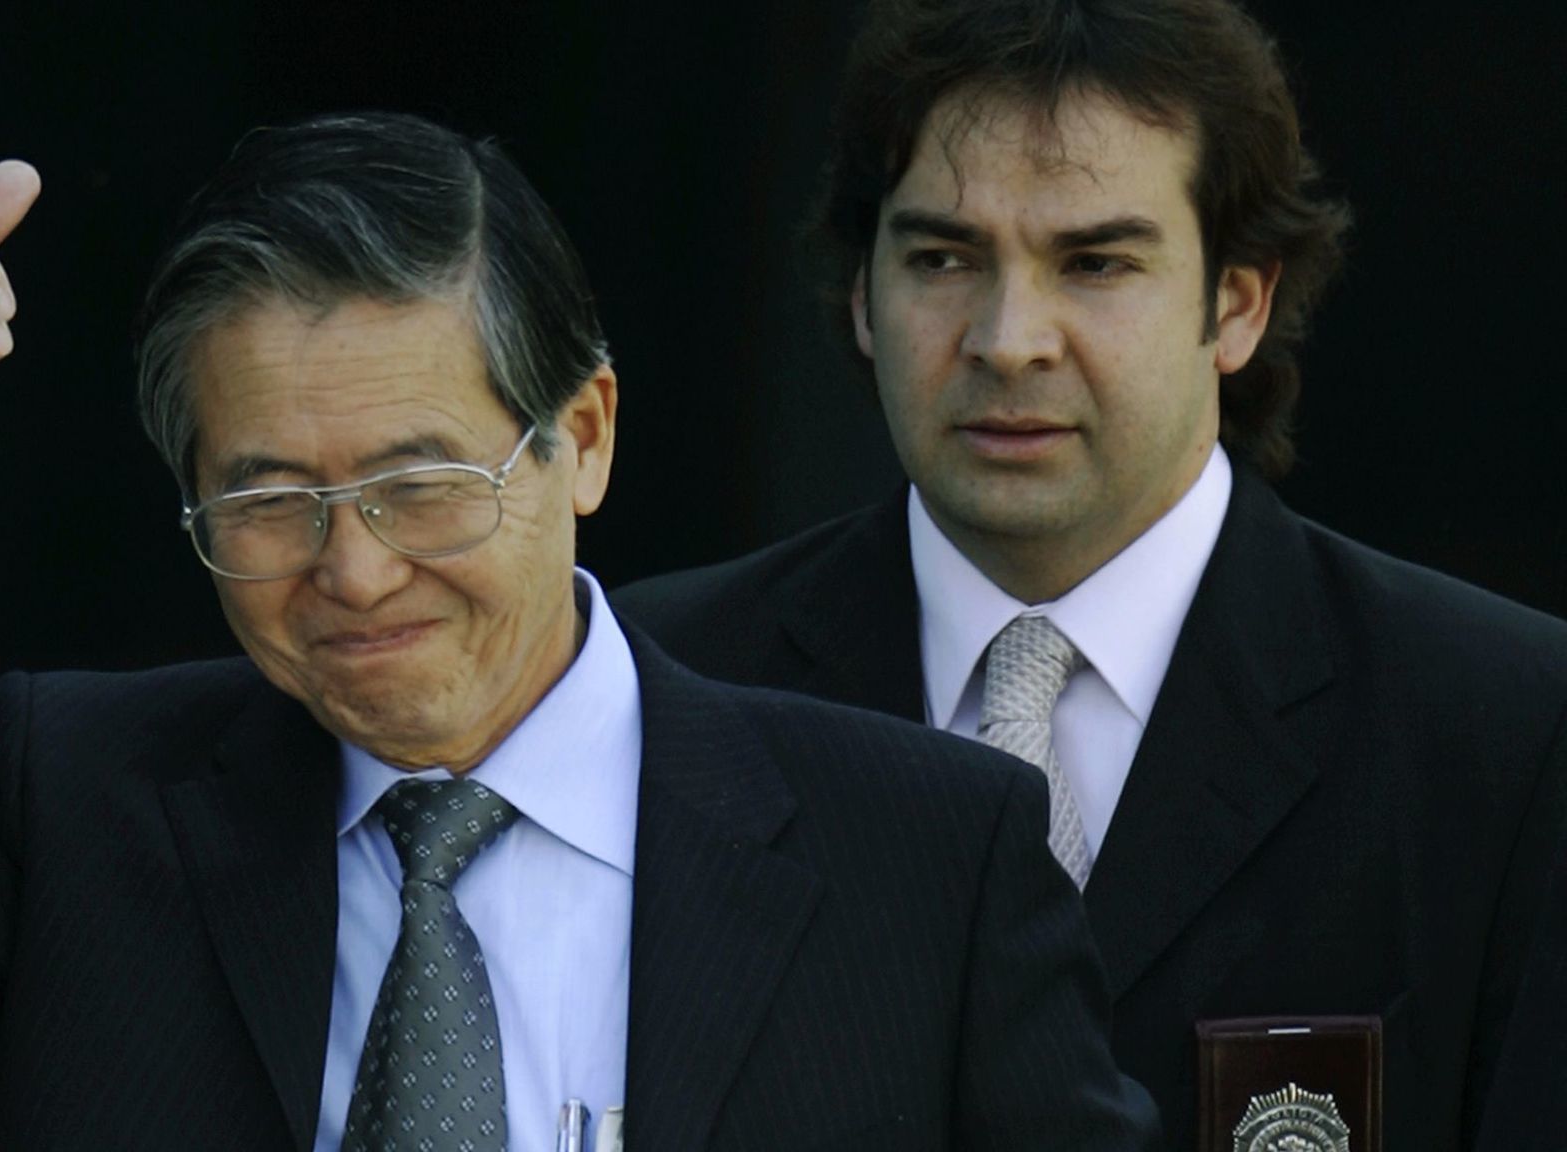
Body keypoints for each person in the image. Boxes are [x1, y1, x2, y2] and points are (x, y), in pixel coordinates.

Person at [0, 113, 1155, 1150]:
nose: (356, 573)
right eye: (264, 503)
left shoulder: (923, 858)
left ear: (584, 437)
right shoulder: (95, 808)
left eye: (423, 485)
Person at [613, 0, 1567, 1148]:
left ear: (1238, 302)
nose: (1008, 337)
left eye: (1095, 261)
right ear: (862, 296)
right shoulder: (652, 687)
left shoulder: (1503, 732)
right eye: (941, 257)